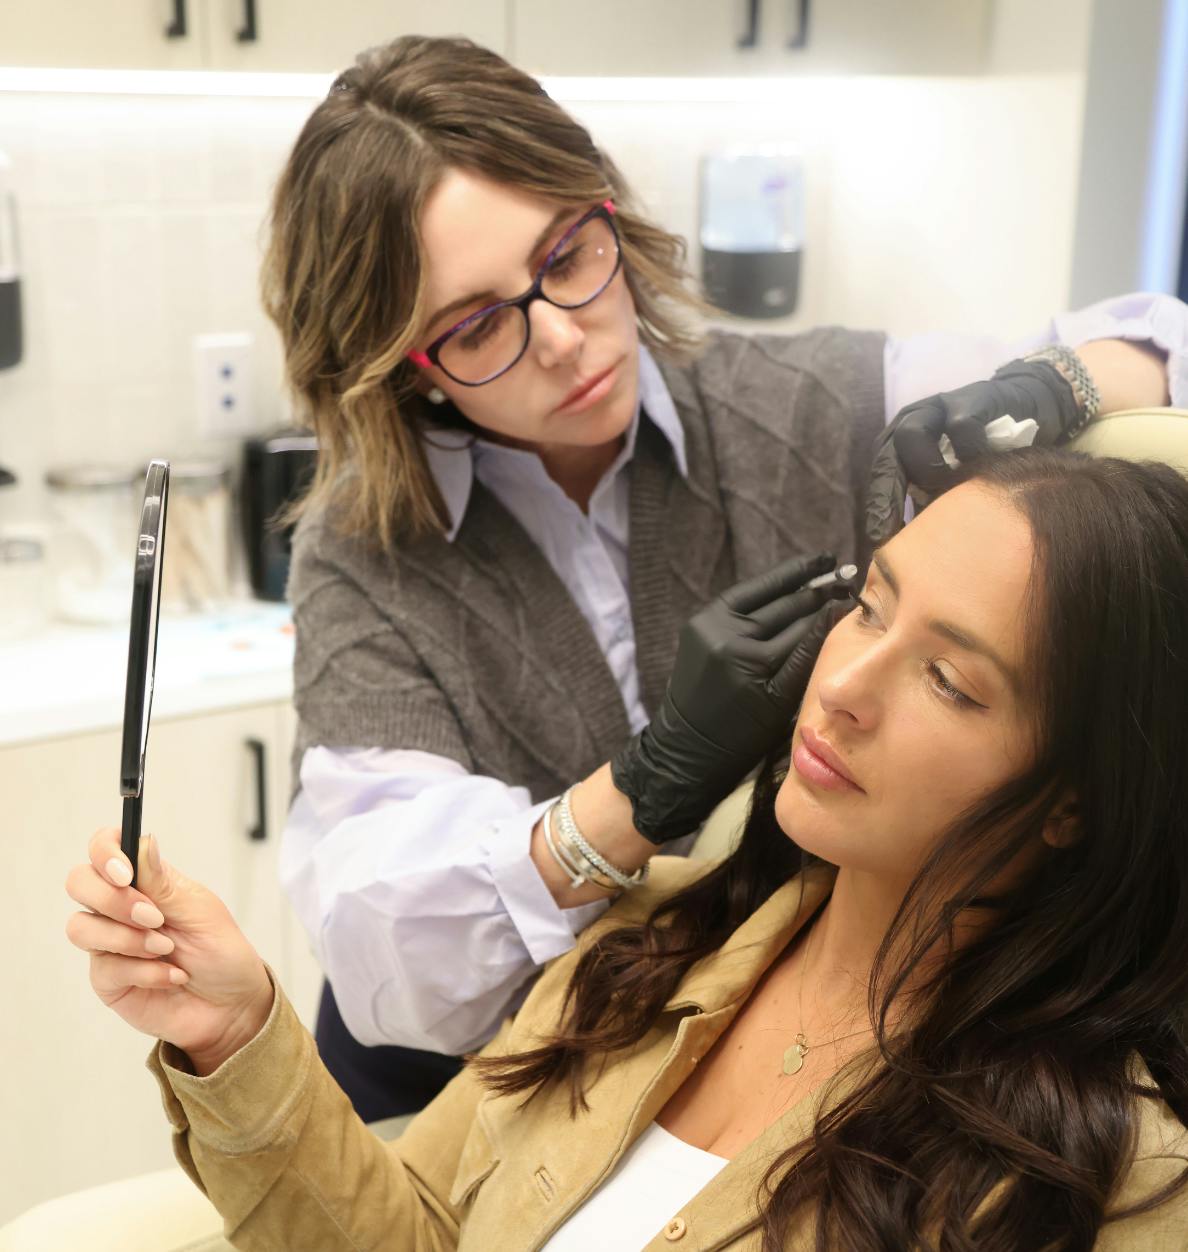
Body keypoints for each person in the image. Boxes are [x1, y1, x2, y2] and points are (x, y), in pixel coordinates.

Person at [266, 32, 1188, 1122]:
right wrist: (650, 787)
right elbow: (391, 951)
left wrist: (1048, 390)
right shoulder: (364, 556)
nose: (563, 337)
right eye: (474, 326)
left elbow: (1155, 346)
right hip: (466, 1085)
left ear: (607, 210)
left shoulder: (801, 403)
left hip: (721, 1052)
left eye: (566, 256)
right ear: (397, 367)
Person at [67, 447, 1188, 1249]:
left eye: (948, 678)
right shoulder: (654, 941)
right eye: (868, 608)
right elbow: (417, 1233)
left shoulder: (1105, 1183)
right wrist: (233, 1030)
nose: (837, 688)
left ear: (1076, 800)